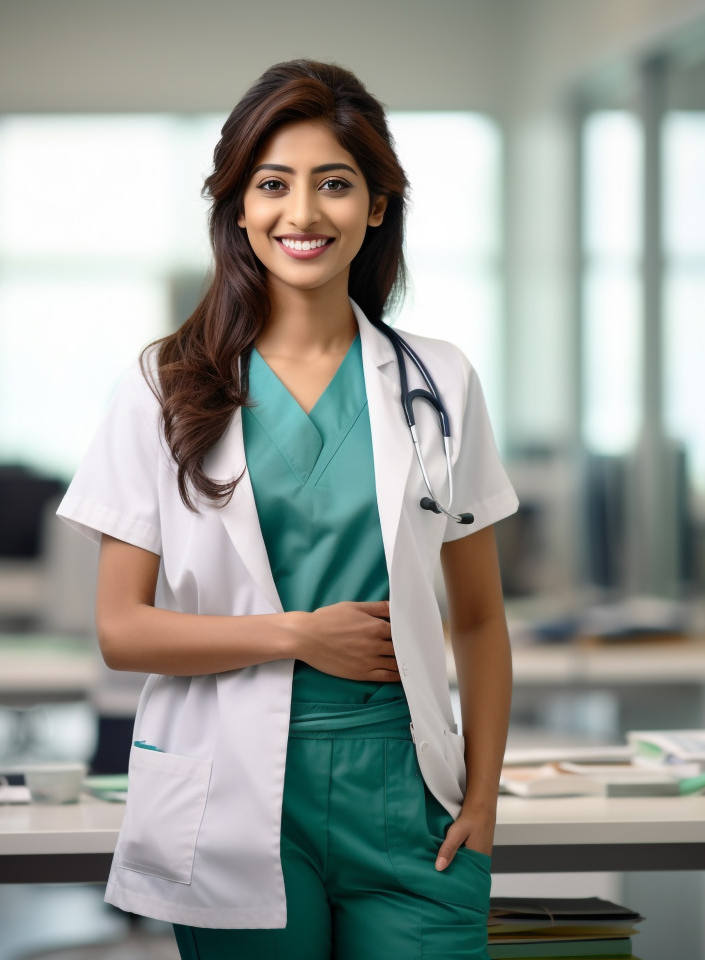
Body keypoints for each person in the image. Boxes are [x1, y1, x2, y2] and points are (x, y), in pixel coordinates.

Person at [57, 59, 518, 960]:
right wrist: (299, 636)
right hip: (231, 794)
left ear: (377, 206)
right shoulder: (163, 385)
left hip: (408, 793)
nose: (302, 213)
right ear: (237, 205)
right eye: (273, 184)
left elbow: (480, 616)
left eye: (334, 184)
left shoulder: (441, 379)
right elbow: (122, 630)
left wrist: (484, 794)